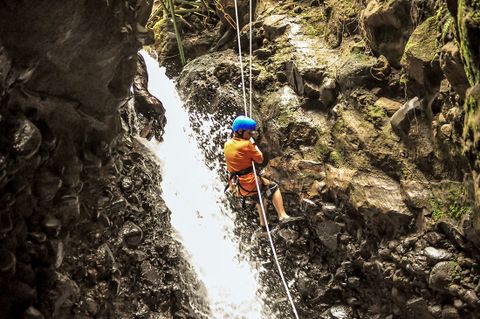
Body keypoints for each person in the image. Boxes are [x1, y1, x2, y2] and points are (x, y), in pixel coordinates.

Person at [223, 115, 300, 227]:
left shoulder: (227, 144)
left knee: (259, 194)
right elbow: (260, 159)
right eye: (249, 133)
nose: (250, 135)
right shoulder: (247, 144)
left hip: (236, 186)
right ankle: (282, 216)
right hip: (249, 183)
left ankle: (263, 223)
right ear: (240, 131)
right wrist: (253, 144)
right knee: (273, 187)